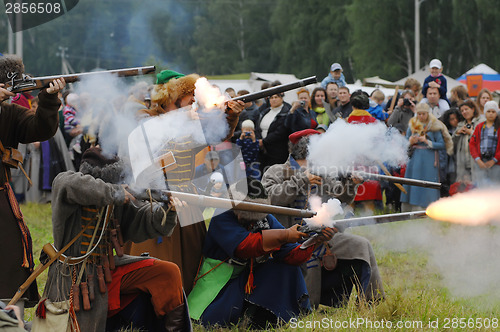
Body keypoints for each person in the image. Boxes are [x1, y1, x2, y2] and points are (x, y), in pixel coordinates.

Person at [124, 70, 244, 295]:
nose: (194, 107)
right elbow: (145, 157)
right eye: (190, 102)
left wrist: (231, 116)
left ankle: (181, 301)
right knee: (149, 262)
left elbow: (217, 135)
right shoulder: (147, 121)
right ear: (173, 100)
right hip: (152, 201)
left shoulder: (190, 124)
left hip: (185, 200)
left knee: (188, 260)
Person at [45, 147, 190, 331]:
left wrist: (169, 211)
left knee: (167, 272)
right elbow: (66, 183)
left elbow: (146, 220)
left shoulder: (119, 200)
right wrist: (115, 192)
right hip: (73, 278)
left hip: (108, 270)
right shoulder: (69, 184)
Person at [187, 177, 334, 328]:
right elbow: (244, 246)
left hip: (250, 274)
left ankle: (268, 315)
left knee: (288, 268)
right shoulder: (222, 214)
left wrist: (315, 240)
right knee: (212, 320)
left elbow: (289, 255)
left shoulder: (265, 217)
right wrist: (285, 235)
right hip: (220, 276)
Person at [261, 129, 385, 308]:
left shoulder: (322, 171)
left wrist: (351, 184)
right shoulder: (277, 171)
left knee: (361, 245)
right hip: (289, 238)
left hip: (322, 235)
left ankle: (371, 303)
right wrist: (302, 180)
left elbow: (340, 200)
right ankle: (305, 307)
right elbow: (271, 199)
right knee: (308, 261)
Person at [0, 54, 66, 316]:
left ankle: (7, 313)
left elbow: (39, 129)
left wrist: (49, 99)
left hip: (1, 194)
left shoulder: (11, 112)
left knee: (12, 255)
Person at [402, 103, 448, 210]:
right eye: (419, 114)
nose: (421, 116)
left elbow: (442, 144)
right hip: (415, 158)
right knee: (414, 182)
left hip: (429, 158)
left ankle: (429, 207)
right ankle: (412, 207)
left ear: (428, 114)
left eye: (423, 114)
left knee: (428, 183)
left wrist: (427, 141)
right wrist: (410, 141)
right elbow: (405, 143)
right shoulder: (412, 125)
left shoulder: (434, 126)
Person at [347, 91, 382, 212]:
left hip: (351, 163)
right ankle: (370, 224)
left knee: (349, 198)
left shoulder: (347, 122)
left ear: (353, 106)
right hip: (369, 163)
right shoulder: (374, 123)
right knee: (369, 199)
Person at [255, 87, 291, 172]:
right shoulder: (264, 112)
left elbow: (281, 131)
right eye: (271, 98)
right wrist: (259, 140)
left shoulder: (285, 112)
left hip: (278, 150)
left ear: (281, 98)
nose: (274, 99)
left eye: (276, 97)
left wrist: (264, 141)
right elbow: (257, 127)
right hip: (263, 150)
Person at [469, 100, 500, 186]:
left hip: (496, 163)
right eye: (488, 111)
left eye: (493, 111)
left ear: (497, 113)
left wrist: (495, 160)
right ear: (485, 113)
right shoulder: (479, 127)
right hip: (481, 162)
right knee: (481, 186)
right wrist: (477, 159)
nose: (490, 114)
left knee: (495, 187)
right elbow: (472, 144)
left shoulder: (498, 127)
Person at [453, 99, 484, 182]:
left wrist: (471, 132)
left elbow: (484, 138)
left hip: (477, 161)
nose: (464, 112)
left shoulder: (481, 122)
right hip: (463, 162)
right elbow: (452, 144)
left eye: (466, 109)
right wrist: (458, 133)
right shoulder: (460, 125)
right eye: (462, 111)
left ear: (473, 109)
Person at [439, 107, 463, 196]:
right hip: (450, 161)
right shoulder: (446, 131)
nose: (455, 121)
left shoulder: (463, 127)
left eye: (456, 118)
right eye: (452, 119)